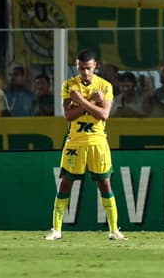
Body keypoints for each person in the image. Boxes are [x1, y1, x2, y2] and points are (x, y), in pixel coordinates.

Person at [45, 49, 126, 241]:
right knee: (65, 183)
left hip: (98, 141)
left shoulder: (105, 86)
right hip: (75, 141)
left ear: (95, 66)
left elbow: (103, 114)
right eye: (82, 69)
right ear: (77, 67)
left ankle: (114, 230)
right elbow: (68, 115)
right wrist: (91, 101)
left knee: (104, 183)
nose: (85, 73)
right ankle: (56, 229)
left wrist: (81, 100)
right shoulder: (68, 86)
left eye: (88, 68)